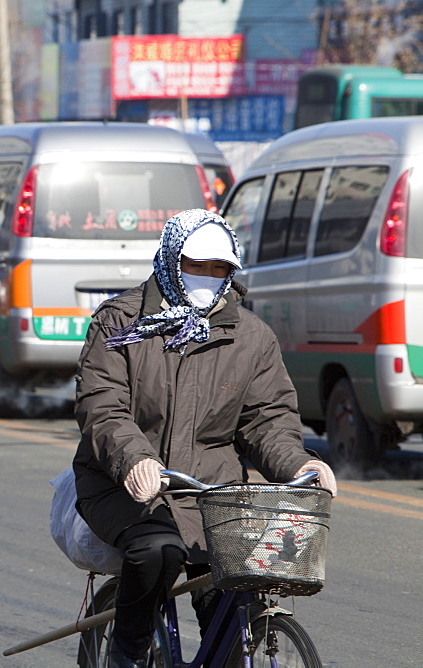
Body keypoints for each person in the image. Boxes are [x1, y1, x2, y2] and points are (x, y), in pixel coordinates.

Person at [72, 209, 338, 668]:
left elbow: (267, 420)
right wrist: (134, 458)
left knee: (239, 596)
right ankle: (127, 652)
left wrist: (299, 464)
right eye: (196, 266)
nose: (208, 277)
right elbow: (102, 407)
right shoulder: (120, 322)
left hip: (213, 492)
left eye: (220, 269)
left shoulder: (251, 336)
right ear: (172, 260)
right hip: (125, 485)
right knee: (159, 550)